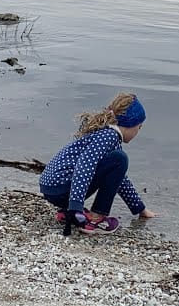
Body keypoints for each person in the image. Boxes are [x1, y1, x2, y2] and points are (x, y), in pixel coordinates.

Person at [39, 92, 158, 233]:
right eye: (139, 126)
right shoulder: (109, 136)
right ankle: (96, 217)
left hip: (52, 187)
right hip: (61, 187)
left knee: (118, 161)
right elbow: (84, 166)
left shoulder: (106, 134)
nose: (139, 131)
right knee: (121, 159)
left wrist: (140, 208)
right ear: (130, 124)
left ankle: (67, 212)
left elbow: (120, 180)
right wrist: (75, 207)